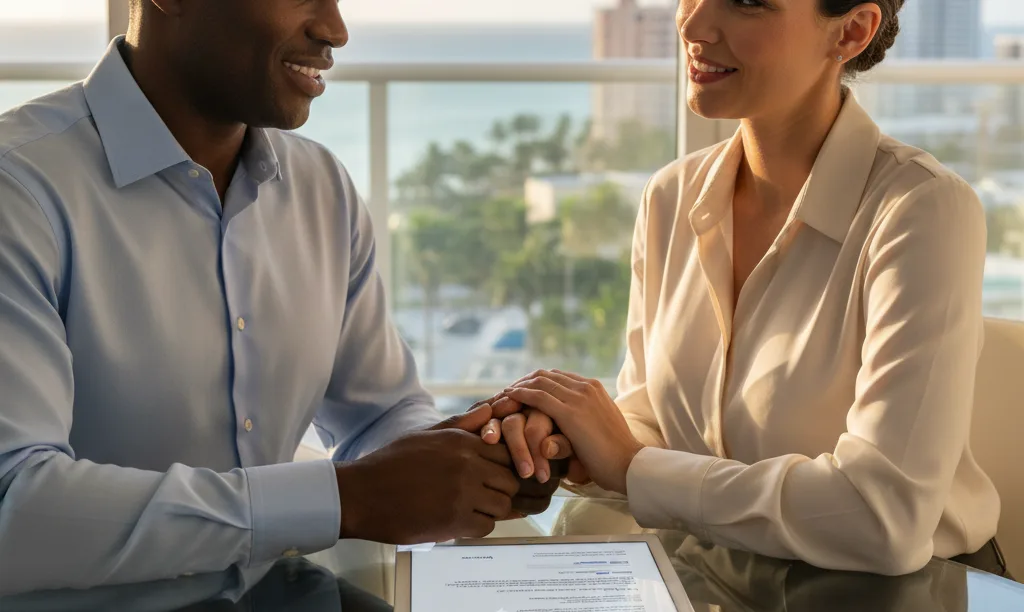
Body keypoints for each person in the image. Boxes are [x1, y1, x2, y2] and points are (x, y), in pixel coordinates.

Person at [0, 0, 560, 595]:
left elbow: (380, 413)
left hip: (282, 593)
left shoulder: (323, 190)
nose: (334, 30)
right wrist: (345, 499)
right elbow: (14, 506)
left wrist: (476, 455)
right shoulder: (21, 190)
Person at [485, 0, 1010, 578]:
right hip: (719, 580)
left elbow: (885, 517)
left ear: (852, 31)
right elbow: (654, 425)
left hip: (905, 593)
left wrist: (632, 466)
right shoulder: (670, 197)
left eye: (745, 2)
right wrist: (574, 443)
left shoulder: (921, 210)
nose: (691, 24)